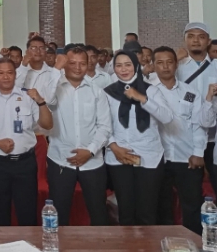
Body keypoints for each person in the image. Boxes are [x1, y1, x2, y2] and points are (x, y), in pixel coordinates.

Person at [0, 58, 53, 226]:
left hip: (25, 163)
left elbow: (48, 124)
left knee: (28, 212)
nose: (6, 77)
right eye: (0, 73)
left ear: (15, 75)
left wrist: (41, 101)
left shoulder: (28, 96)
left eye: (9, 73)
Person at [104, 50, 173, 225]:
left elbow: (167, 117)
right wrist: (113, 146)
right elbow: (102, 124)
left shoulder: (151, 90)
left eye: (128, 64)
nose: (123, 69)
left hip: (148, 155)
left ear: (136, 66)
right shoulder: (107, 93)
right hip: (118, 156)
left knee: (147, 212)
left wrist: (142, 98)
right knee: (126, 212)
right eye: (118, 65)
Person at [46, 48, 111, 226]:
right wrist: (55, 69)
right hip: (60, 159)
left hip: (92, 161)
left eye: (82, 63)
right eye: (72, 63)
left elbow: (104, 126)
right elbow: (46, 100)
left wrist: (89, 151)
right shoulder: (55, 86)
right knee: (58, 214)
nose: (77, 67)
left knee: (98, 212)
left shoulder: (96, 91)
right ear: (65, 64)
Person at [153, 46, 214, 235]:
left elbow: (199, 125)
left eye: (169, 62)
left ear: (176, 64)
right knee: (161, 206)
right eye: (160, 62)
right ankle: (163, 243)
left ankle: (193, 242)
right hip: (158, 159)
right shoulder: (148, 92)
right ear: (154, 66)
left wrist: (198, 153)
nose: (165, 67)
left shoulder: (190, 92)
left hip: (186, 157)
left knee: (191, 205)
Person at [176, 22, 217, 194]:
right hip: (188, 138)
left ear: (208, 41)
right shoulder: (177, 68)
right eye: (191, 36)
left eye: (201, 37)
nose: (196, 41)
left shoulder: (216, 66)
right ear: (184, 40)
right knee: (191, 191)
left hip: (214, 138)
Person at [15, 36, 60, 106]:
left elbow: (53, 101)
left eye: (42, 48)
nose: (38, 51)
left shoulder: (53, 73)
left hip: (46, 114)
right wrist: (23, 66)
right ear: (27, 51)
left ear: (45, 52)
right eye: (33, 48)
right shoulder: (19, 71)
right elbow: (15, 91)